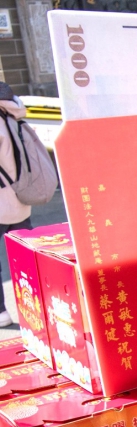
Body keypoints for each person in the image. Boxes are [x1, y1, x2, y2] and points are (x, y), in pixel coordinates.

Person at [0, 82, 31, 328]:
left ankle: (1, 312)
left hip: (2, 199)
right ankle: (36, 306)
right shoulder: (13, 113)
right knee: (25, 257)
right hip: (21, 196)